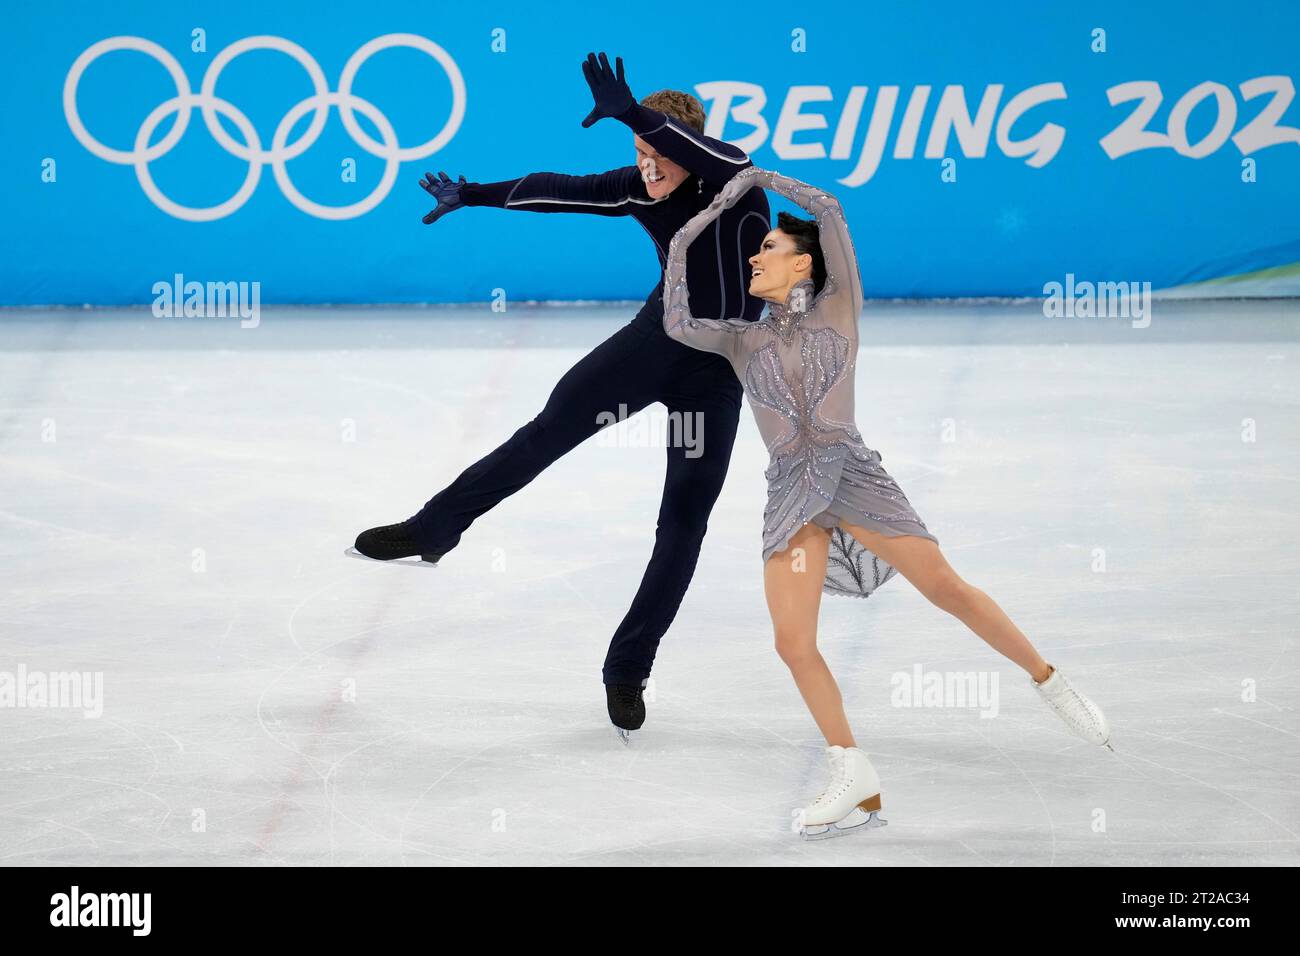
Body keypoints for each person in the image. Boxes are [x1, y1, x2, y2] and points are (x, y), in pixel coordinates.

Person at [661, 165, 1113, 839]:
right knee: (792, 642)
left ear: (803, 264)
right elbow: (674, 319)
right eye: (754, 251)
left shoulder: (840, 306)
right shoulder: (739, 337)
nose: (755, 256)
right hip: (791, 494)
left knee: (947, 589)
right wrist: (696, 223)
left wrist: (761, 178)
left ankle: (1048, 679)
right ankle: (853, 772)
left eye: (769, 250)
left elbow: (832, 212)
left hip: (854, 477)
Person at [350, 54, 771, 741]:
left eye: (659, 153)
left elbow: (701, 153)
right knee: (543, 435)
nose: (649, 167)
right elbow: (559, 188)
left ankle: (628, 667)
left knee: (684, 520)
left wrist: (641, 115)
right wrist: (475, 194)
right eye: (638, 154)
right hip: (652, 346)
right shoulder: (639, 187)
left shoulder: (736, 180)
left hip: (714, 373)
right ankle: (435, 527)